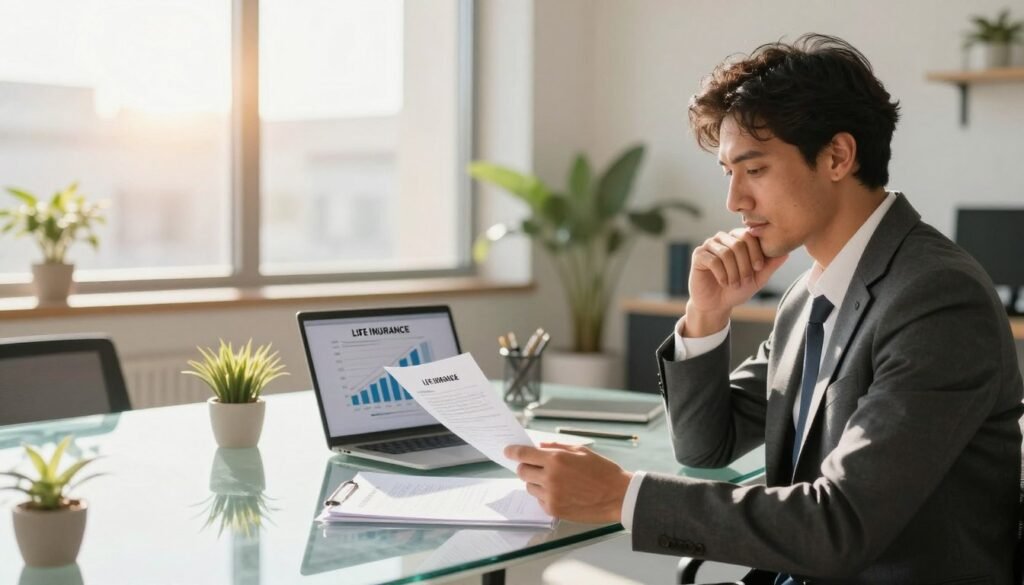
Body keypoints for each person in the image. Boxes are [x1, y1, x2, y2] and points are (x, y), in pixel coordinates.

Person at [505, 33, 1024, 583]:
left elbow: (839, 527)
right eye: (729, 173)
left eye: (754, 170)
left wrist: (620, 497)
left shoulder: (935, 298)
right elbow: (708, 446)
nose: (734, 201)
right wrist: (706, 316)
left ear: (837, 156)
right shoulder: (812, 293)